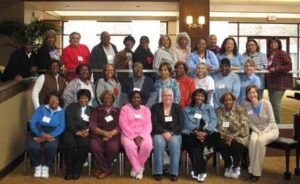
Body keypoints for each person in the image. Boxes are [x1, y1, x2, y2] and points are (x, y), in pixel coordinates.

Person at [182, 89, 219, 183]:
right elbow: (186, 122)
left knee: (205, 148)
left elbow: (213, 120)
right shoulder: (187, 109)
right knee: (195, 148)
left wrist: (206, 132)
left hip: (208, 133)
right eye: (197, 95)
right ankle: (201, 172)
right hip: (192, 133)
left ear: (205, 98)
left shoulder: (209, 108)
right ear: (194, 96)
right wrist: (196, 132)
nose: (199, 98)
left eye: (202, 96)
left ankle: (197, 171)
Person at [243, 85, 279, 182]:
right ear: (247, 95)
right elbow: (250, 123)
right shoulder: (246, 105)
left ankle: (256, 172)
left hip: (270, 129)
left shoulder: (266, 103)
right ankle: (250, 170)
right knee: (252, 141)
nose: (252, 94)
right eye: (249, 93)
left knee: (260, 141)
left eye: (254, 92)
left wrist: (264, 132)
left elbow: (272, 122)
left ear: (257, 93)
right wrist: (258, 131)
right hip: (257, 130)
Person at [26, 92, 65, 178]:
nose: (53, 101)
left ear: (59, 101)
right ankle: (37, 166)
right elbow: (33, 123)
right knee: (31, 146)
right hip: (37, 130)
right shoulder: (41, 109)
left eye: (56, 99)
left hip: (53, 132)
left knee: (51, 147)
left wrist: (48, 136)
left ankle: (46, 166)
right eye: (51, 99)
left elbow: (61, 127)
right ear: (48, 101)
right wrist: (42, 134)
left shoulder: (62, 111)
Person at [151, 88, 183, 182]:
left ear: (173, 97)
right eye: (165, 95)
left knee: (175, 145)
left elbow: (180, 123)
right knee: (158, 143)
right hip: (159, 132)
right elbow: (154, 123)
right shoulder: (155, 107)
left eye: (169, 95)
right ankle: (158, 172)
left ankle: (174, 173)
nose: (167, 97)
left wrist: (171, 133)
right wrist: (164, 132)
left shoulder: (178, 107)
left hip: (175, 133)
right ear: (161, 97)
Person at [119, 91, 153, 179]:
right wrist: (134, 136)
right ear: (130, 99)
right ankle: (138, 169)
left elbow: (149, 125)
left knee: (148, 146)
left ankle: (136, 166)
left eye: (138, 97)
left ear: (141, 99)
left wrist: (141, 136)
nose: (136, 99)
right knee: (130, 146)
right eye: (134, 97)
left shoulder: (146, 109)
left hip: (143, 134)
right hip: (128, 134)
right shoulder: (125, 109)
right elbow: (123, 124)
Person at [216, 92, 249, 179]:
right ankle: (228, 165)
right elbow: (219, 127)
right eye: (225, 100)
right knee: (221, 143)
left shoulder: (240, 111)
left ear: (233, 100)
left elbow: (244, 127)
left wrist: (233, 137)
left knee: (234, 143)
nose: (228, 102)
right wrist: (228, 137)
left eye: (230, 100)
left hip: (240, 137)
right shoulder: (219, 112)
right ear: (222, 102)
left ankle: (236, 166)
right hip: (225, 137)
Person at [63, 89, 94, 180]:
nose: (83, 100)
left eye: (85, 98)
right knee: (69, 145)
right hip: (71, 131)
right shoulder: (71, 107)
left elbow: (92, 123)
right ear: (78, 98)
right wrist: (76, 131)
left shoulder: (92, 110)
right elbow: (69, 121)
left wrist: (87, 130)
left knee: (84, 145)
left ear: (88, 99)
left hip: (85, 132)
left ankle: (77, 170)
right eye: (81, 98)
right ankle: (69, 170)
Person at [89, 91, 121, 179]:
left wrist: (110, 134)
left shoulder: (118, 111)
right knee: (94, 146)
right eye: (105, 98)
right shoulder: (97, 110)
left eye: (110, 98)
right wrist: (105, 133)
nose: (107, 99)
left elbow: (120, 126)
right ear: (102, 100)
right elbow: (92, 125)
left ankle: (103, 169)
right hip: (98, 135)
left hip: (113, 135)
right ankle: (106, 169)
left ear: (113, 100)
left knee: (113, 148)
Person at [266, 37, 292, 124]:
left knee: (276, 103)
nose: (273, 44)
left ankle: (278, 124)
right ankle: (274, 122)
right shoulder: (269, 55)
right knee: (272, 103)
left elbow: (289, 66)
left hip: (280, 83)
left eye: (275, 43)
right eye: (271, 43)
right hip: (271, 83)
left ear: (279, 44)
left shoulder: (283, 53)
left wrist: (276, 68)